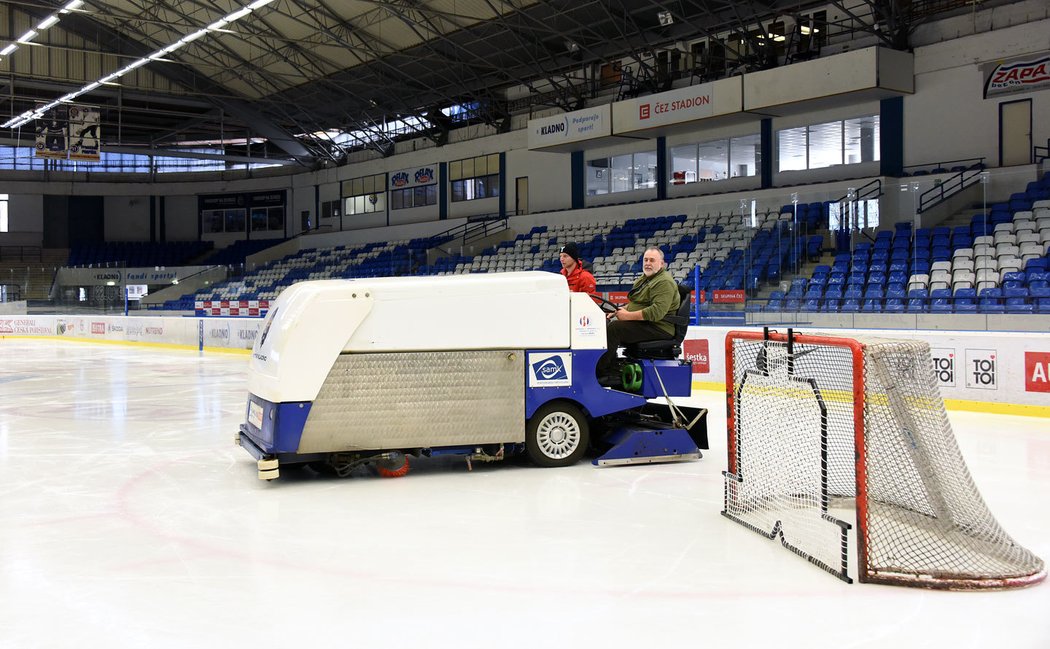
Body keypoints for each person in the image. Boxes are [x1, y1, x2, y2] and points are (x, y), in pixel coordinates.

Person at [596, 246, 680, 382]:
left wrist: (627, 316)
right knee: (605, 323)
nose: (647, 263)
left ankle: (603, 371)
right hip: (648, 323)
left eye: (652, 260)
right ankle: (610, 364)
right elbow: (637, 303)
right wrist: (618, 311)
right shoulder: (647, 278)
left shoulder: (664, 282)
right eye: (646, 260)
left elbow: (656, 312)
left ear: (662, 264)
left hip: (660, 327)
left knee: (615, 329)